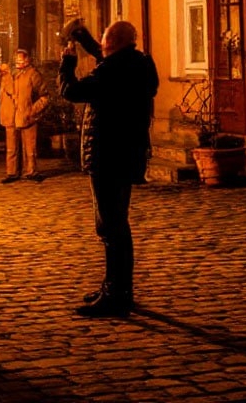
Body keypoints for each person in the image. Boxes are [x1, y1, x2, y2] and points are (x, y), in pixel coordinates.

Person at [59, 20, 158, 317]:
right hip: (127, 153)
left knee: (110, 226)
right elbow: (109, 59)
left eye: (104, 42)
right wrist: (86, 39)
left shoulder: (112, 71)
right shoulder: (139, 64)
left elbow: (71, 91)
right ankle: (115, 286)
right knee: (117, 223)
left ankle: (117, 293)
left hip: (107, 153)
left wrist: (67, 61)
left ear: (111, 43)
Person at [0, 49, 49, 183]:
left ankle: (31, 172)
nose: (18, 62)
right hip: (11, 116)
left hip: (27, 117)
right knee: (11, 148)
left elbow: (44, 96)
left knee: (30, 148)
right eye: (16, 59)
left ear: (27, 61)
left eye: (21, 60)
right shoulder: (9, 74)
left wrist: (32, 111)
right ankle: (12, 173)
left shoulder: (33, 75)